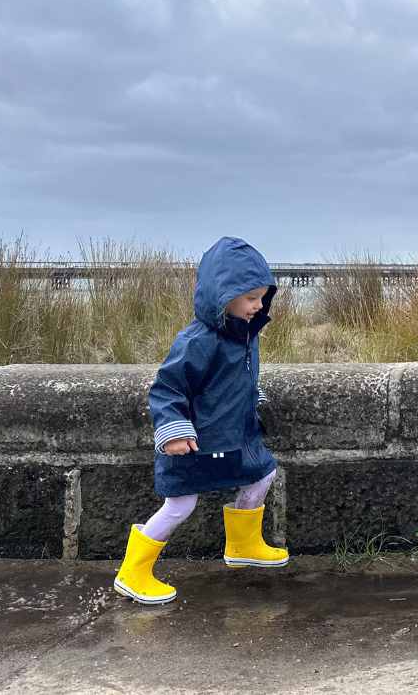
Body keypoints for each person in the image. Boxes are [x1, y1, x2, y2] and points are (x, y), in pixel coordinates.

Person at [112, 236, 289, 605]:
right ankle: (133, 572)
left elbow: (236, 379)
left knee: (263, 474)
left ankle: (243, 543)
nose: (258, 306)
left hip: (237, 436)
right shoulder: (198, 340)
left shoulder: (245, 335)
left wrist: (252, 398)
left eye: (261, 297)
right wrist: (174, 431)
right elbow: (167, 389)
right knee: (180, 505)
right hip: (195, 442)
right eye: (250, 298)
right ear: (223, 296)